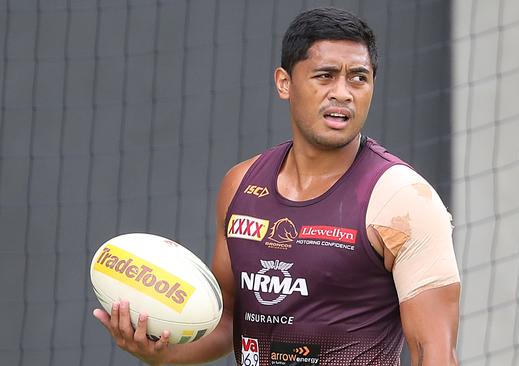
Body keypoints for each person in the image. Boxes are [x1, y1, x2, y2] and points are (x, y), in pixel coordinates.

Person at [93, 7, 460, 366]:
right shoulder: (240, 184)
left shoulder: (403, 200)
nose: (343, 93)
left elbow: (435, 352)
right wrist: (155, 353)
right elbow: (226, 323)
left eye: (358, 78)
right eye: (325, 75)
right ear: (284, 83)